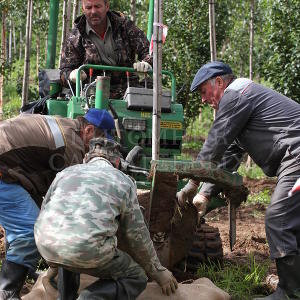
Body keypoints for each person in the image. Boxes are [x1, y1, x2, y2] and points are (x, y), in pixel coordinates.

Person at [177, 61, 300, 300]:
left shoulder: (237, 93)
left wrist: (191, 185)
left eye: (204, 91)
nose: (203, 99)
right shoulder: (243, 101)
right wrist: (205, 193)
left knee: (279, 218)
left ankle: (288, 293)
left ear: (220, 83)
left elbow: (217, 140)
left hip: (296, 156)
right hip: (293, 157)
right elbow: (230, 154)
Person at [34, 137, 178, 300]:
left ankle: (66, 297)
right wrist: (158, 272)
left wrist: (52, 260)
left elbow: (45, 211)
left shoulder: (64, 173)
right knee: (136, 277)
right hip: (86, 250)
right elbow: (137, 235)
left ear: (87, 159)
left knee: (72, 245)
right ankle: (90, 297)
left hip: (46, 244)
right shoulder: (123, 181)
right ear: (117, 163)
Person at [0, 108, 115, 300]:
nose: (96, 150)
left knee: (36, 222)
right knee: (30, 231)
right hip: (4, 171)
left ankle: (23, 274)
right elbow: (71, 208)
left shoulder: (66, 127)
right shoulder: (71, 146)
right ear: (88, 131)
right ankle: (7, 291)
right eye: (97, 143)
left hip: (11, 168)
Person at [60, 0, 152, 99]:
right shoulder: (75, 36)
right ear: (83, 9)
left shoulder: (124, 26)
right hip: (92, 96)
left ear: (107, 6)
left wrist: (146, 63)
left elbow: (149, 51)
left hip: (128, 93)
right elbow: (64, 71)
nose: (93, 11)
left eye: (97, 6)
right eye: (89, 8)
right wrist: (72, 75)